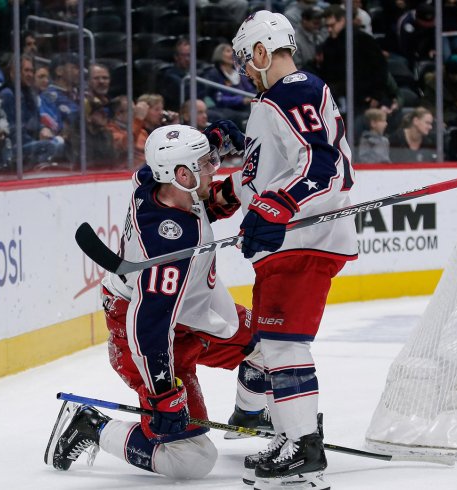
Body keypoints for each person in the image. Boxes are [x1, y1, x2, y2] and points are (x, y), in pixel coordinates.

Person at [45, 124, 270, 478]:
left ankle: (251, 415)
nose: (214, 167)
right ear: (181, 175)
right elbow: (148, 328)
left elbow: (192, 197)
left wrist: (213, 141)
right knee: (191, 460)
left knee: (273, 346)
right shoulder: (168, 251)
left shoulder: (153, 181)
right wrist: (162, 394)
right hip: (148, 334)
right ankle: (92, 426)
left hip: (190, 312)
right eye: (206, 163)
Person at [209, 10, 359, 489]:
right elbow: (265, 173)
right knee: (275, 343)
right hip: (290, 238)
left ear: (259, 51)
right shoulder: (275, 100)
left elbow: (323, 162)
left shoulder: (293, 88)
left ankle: (303, 447)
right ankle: (293, 436)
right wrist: (226, 196)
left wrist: (278, 206)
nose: (244, 71)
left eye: (245, 60)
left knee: (282, 343)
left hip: (304, 235)